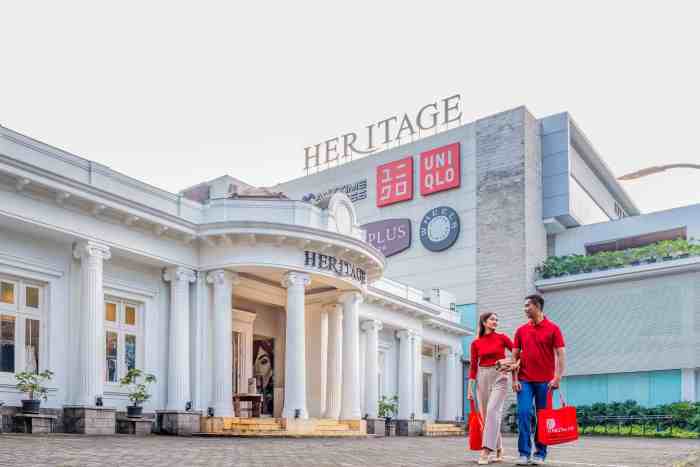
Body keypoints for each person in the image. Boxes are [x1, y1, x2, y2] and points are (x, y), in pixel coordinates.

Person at [512, 294, 566, 466]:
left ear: (537, 306)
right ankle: (524, 453)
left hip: (546, 382)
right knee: (524, 413)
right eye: (525, 306)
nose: (525, 309)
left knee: (543, 418)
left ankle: (540, 453)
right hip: (524, 380)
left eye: (527, 305)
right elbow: (514, 356)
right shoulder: (521, 330)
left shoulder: (553, 328)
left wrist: (557, 377)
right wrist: (514, 379)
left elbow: (561, 354)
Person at [467, 312, 516, 465]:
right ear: (484, 322)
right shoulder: (476, 343)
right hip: (482, 378)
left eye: (497, 319)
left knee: (492, 411)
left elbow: (518, 354)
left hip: (499, 376)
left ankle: (486, 450)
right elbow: (473, 367)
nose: (495, 321)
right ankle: (499, 448)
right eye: (492, 319)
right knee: (488, 416)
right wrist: (470, 389)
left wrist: (507, 362)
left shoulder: (502, 338)